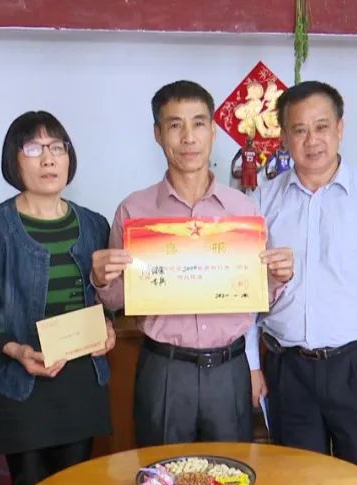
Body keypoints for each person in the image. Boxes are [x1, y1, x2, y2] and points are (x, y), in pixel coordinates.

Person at [91, 80, 293, 446]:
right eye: (175, 125)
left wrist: (277, 278)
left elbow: (255, 298)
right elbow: (118, 301)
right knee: (162, 471)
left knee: (230, 471)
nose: (188, 137)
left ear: (213, 132)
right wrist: (102, 280)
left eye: (198, 123)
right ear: (158, 134)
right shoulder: (134, 211)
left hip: (229, 369)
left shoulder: (243, 210)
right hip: (164, 370)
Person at [251, 80, 357, 482]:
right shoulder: (261, 202)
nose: (312, 140)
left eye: (321, 127)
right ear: (284, 137)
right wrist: (253, 366)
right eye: (299, 130)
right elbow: (246, 293)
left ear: (340, 128)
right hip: (288, 368)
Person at [0, 111, 114, 485]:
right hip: (19, 382)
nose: (48, 159)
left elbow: (103, 296)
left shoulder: (94, 225)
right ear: (14, 159)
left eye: (57, 147)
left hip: (81, 379)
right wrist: (13, 348)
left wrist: (107, 324)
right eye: (34, 148)